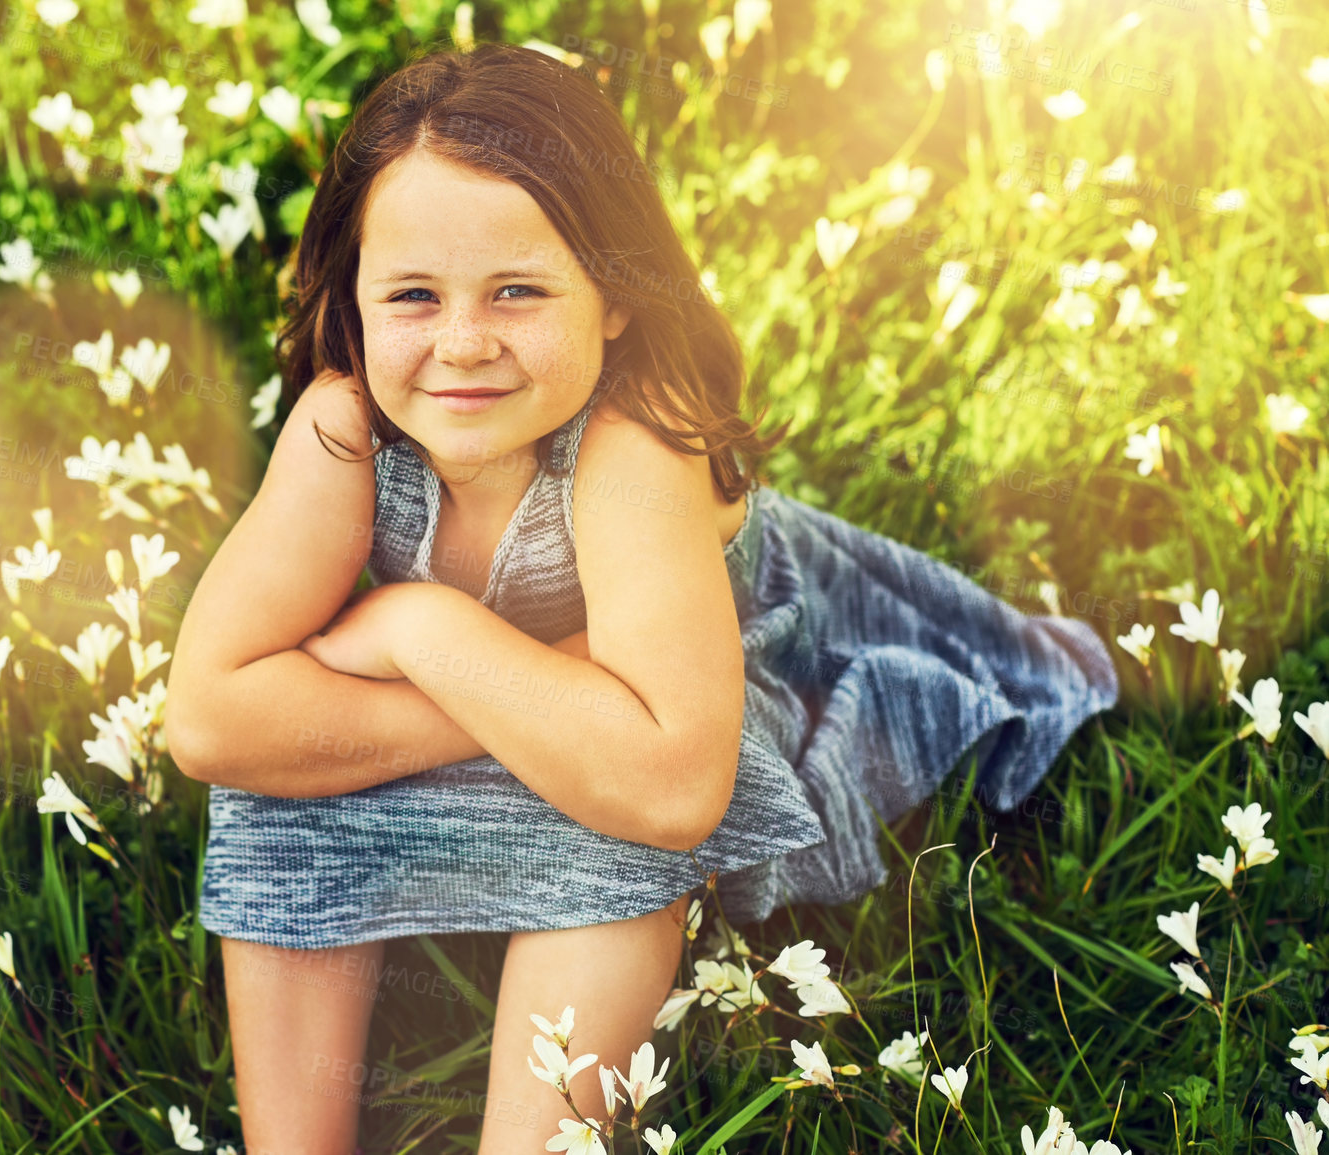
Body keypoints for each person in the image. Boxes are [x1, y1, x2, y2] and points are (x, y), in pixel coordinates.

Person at [162, 43, 1119, 1155]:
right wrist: (511, 698)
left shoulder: (630, 447)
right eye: (414, 295)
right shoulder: (346, 429)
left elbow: (672, 788)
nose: (463, 344)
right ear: (356, 299)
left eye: (518, 291)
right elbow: (210, 720)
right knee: (268, 795)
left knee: (620, 834)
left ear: (615, 296)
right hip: (575, 710)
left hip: (746, 683)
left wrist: (424, 627)